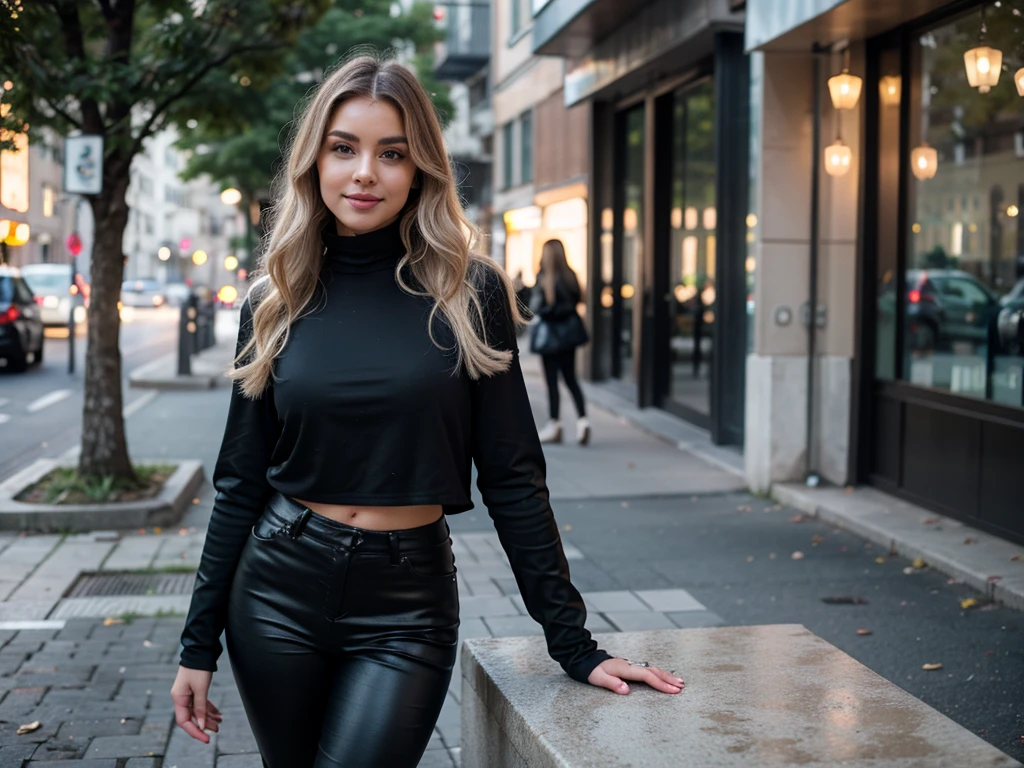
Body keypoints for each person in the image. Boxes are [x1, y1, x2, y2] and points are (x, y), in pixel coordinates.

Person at [169, 54, 684, 768]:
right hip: (275, 593)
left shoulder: (469, 294)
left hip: (405, 607)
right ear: (315, 159)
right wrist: (197, 647)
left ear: (421, 172)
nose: (364, 173)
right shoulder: (274, 301)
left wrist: (573, 644)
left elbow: (513, 477)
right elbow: (238, 482)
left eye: (392, 154)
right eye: (344, 148)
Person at [531, 239, 591, 445]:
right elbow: (576, 301)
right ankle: (583, 422)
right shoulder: (570, 276)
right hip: (569, 337)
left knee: (551, 382)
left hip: (549, 337)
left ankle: (555, 424)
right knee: (571, 379)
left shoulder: (545, 277)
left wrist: (544, 311)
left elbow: (539, 308)